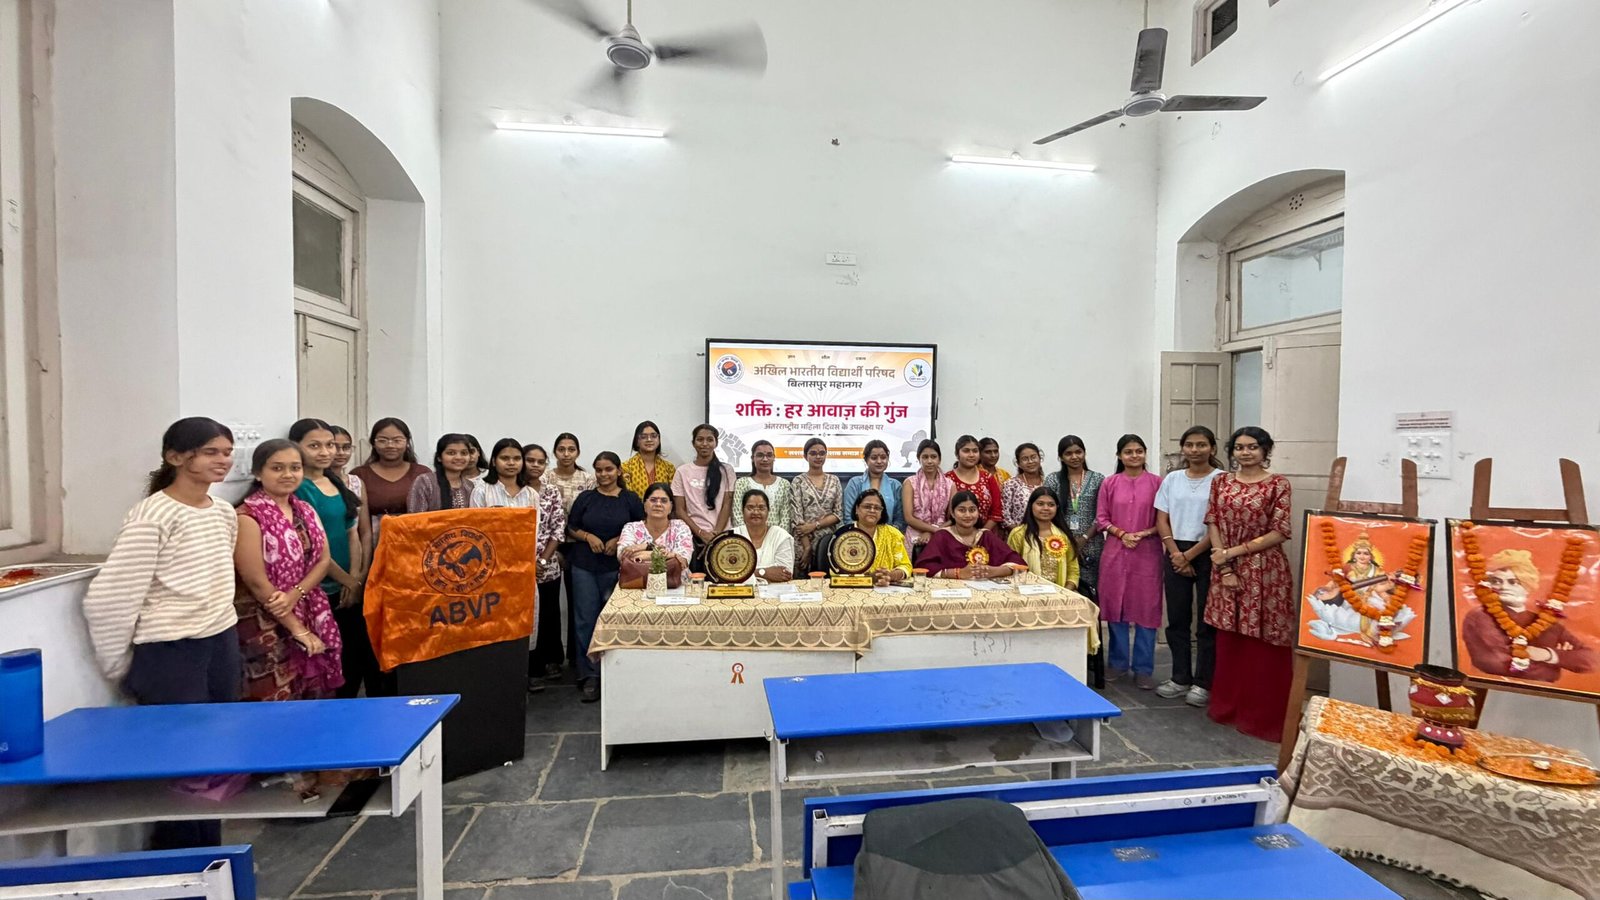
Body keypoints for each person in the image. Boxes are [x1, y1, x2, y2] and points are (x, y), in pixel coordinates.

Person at [81, 418, 241, 849]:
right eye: (211, 452)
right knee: (181, 766)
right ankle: (179, 862)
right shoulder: (153, 515)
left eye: (227, 452)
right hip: (171, 651)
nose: (224, 460)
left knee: (215, 759)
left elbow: (216, 580)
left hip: (220, 641)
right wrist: (120, 665)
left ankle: (211, 856)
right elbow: (110, 598)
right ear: (175, 457)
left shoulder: (223, 512)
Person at [233, 439, 342, 708]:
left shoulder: (304, 510)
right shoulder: (247, 516)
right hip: (263, 618)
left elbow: (323, 560)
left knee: (311, 700)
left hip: (305, 606)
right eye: (277, 468)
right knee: (273, 700)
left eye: (295, 467)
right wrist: (297, 629)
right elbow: (256, 582)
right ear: (258, 473)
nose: (288, 474)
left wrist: (296, 594)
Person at [1205, 427, 1296, 741]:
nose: (1245, 453)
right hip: (1225, 567)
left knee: (1262, 639)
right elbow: (1213, 520)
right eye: (1239, 447)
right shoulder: (1221, 482)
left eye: (1253, 447)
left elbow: (1280, 531)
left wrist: (1233, 553)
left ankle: (1261, 715)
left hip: (1264, 570)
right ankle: (1228, 707)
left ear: (1265, 450)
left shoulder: (1278, 484)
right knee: (1230, 638)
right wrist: (1224, 563)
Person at [289, 419, 366, 699]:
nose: (325, 452)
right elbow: (315, 546)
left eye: (329, 445)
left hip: (348, 584)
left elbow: (352, 533)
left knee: (353, 656)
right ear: (296, 447)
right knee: (325, 659)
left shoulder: (335, 481)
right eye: (314, 446)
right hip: (319, 587)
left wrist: (355, 577)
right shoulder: (300, 488)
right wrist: (347, 581)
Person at [1153, 426, 1225, 706]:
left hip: (1209, 550)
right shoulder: (1172, 479)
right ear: (1183, 448)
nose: (1195, 450)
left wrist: (1190, 555)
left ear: (1212, 448)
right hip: (1175, 549)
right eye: (1190, 445)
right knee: (1177, 619)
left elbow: (1219, 523)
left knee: (1207, 622)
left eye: (1201, 445)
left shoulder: (1222, 480)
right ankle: (1180, 677)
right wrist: (1176, 554)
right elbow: (1162, 519)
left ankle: (1204, 683)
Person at [565, 452, 643, 702]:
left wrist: (619, 540)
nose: (603, 474)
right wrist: (588, 537)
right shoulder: (586, 498)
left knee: (616, 621)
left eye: (608, 469)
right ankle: (590, 675)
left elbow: (641, 528)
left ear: (619, 471)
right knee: (585, 620)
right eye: (598, 470)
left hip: (620, 568)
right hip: (584, 566)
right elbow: (571, 526)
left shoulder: (630, 499)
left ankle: (616, 672)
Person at [1461, 549, 1595, 682]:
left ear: (1527, 586)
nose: (1503, 587)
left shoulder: (1548, 623)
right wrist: (1557, 664)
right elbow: (1497, 664)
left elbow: (1592, 660)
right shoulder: (1480, 616)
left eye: (1513, 582)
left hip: (1545, 691)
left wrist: (1547, 654)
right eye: (1496, 581)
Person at [1096, 434, 1163, 689]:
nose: (1134, 456)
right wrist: (1122, 534)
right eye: (1128, 452)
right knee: (1116, 607)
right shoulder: (1110, 483)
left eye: (1138, 451)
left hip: (1148, 553)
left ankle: (1144, 668)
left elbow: (1163, 519)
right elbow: (1102, 518)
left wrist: (1143, 533)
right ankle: (1118, 662)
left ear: (1145, 453)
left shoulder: (1157, 483)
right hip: (1115, 551)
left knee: (1147, 609)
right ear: (1119, 456)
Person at [546, 433, 596, 669]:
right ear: (555, 452)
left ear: (578, 452)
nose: (566, 454)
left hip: (579, 544)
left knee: (579, 603)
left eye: (571, 449)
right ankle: (553, 658)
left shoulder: (587, 479)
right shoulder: (545, 477)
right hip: (548, 546)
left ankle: (578, 658)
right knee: (550, 603)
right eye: (561, 449)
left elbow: (590, 512)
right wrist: (552, 549)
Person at [522, 443, 568, 684]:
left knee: (549, 614)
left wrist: (541, 560)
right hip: (518, 567)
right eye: (530, 460)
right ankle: (532, 668)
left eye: (541, 462)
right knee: (527, 618)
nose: (535, 465)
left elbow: (557, 528)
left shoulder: (551, 491)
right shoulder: (514, 491)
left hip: (546, 565)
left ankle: (552, 661)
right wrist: (526, 563)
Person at [349, 417, 432, 540]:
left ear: (407, 442)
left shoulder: (422, 474)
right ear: (373, 443)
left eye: (397, 440)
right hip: (373, 542)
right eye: (383, 440)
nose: (390, 445)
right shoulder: (359, 475)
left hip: (416, 541)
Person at [1043, 436, 1105, 600]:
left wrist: (1084, 538)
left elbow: (1103, 513)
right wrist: (1069, 540)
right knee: (1063, 588)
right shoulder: (1053, 480)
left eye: (1078, 452)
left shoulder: (1098, 479)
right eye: (1068, 453)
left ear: (1084, 453)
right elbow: (1047, 511)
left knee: (1091, 592)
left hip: (1092, 543)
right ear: (1061, 457)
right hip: (1059, 543)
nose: (1074, 457)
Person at [918, 491, 1027, 579]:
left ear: (978, 512)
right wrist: (958, 573)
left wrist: (994, 571)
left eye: (972, 510)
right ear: (952, 513)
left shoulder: (986, 536)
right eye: (962, 510)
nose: (968, 515)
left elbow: (1018, 563)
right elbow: (923, 566)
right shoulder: (942, 536)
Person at [671, 424, 736, 570]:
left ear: (716, 443)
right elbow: (679, 510)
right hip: (692, 538)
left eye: (709, 439)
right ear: (693, 443)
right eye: (700, 439)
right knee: (695, 580)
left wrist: (715, 535)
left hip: (722, 537)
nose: (705, 444)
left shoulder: (727, 470)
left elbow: (727, 504)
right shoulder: (682, 471)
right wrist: (700, 533)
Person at [1007, 487, 1080, 591]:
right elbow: (1011, 567)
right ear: (1031, 506)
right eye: (1040, 504)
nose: (1046, 508)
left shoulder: (1063, 536)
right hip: (1027, 593)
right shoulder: (1018, 534)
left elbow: (1073, 571)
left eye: (1051, 505)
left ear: (1057, 507)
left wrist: (1065, 592)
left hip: (1060, 593)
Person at [790, 437, 843, 571]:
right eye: (813, 453)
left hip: (828, 541)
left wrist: (814, 525)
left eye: (822, 453)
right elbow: (797, 517)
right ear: (805, 456)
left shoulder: (834, 480)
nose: (818, 457)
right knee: (802, 579)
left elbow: (838, 514)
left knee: (828, 578)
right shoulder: (798, 481)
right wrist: (807, 547)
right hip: (803, 541)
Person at [327, 425, 373, 576]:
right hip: (325, 559)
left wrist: (364, 569)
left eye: (346, 447)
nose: (341, 453)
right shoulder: (315, 484)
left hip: (353, 558)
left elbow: (365, 531)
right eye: (334, 447)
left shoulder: (356, 482)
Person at [619, 482, 695, 572]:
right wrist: (666, 554)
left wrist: (642, 551)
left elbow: (681, 562)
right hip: (636, 579)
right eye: (653, 500)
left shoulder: (680, 527)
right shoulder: (631, 528)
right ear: (644, 505)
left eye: (664, 501)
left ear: (671, 507)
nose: (658, 504)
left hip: (674, 579)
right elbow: (624, 557)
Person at [850, 489, 913, 586]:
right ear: (857, 509)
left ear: (881, 512)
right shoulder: (844, 535)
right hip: (851, 588)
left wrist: (890, 575)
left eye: (877, 508)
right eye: (867, 506)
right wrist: (870, 578)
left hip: (886, 589)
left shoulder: (892, 534)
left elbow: (905, 566)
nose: (872, 510)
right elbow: (836, 571)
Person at [902, 438, 952, 556]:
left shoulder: (950, 485)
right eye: (925, 457)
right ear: (918, 458)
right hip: (915, 537)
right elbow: (908, 517)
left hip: (942, 534)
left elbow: (953, 518)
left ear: (939, 459)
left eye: (933, 457)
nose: (929, 461)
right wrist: (933, 529)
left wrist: (933, 532)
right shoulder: (910, 483)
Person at [733, 490, 794, 583]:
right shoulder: (732, 536)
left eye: (761, 508)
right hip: (741, 590)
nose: (756, 512)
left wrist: (745, 573)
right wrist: (763, 572)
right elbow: (727, 573)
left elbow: (785, 573)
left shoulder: (780, 536)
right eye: (750, 508)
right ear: (742, 511)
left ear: (768, 511)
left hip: (776, 590)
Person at [731, 440, 793, 531]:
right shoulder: (742, 483)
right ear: (753, 458)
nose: (765, 459)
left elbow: (786, 518)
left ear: (774, 458)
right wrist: (748, 536)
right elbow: (737, 515)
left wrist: (777, 536)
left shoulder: (784, 484)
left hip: (777, 537)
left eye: (769, 455)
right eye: (760, 455)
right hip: (746, 537)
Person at [842, 440, 904, 531]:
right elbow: (848, 517)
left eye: (883, 457)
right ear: (866, 460)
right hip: (858, 535)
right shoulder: (854, 483)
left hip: (888, 535)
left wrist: (888, 534)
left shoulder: (895, 485)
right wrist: (862, 534)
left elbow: (900, 519)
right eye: (874, 458)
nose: (879, 461)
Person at [945, 435, 1003, 531]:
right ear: (957, 454)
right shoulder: (947, 479)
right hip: (954, 533)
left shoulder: (988, 478)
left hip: (986, 533)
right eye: (966, 451)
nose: (971, 455)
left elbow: (997, 511)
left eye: (975, 451)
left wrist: (981, 533)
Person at [407, 434, 475, 512]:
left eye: (464, 453)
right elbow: (416, 516)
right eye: (451, 453)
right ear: (439, 457)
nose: (458, 457)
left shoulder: (469, 486)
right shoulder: (425, 482)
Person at [470, 438, 536, 509]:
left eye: (517, 458)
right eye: (505, 458)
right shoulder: (482, 491)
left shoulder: (531, 494)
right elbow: (474, 516)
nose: (511, 463)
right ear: (494, 461)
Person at [620, 420, 676, 498]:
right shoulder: (626, 468)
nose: (649, 440)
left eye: (654, 436)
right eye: (643, 437)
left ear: (659, 439)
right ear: (637, 441)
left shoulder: (669, 468)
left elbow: (673, 497)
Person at [1000, 443, 1047, 530]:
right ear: (1018, 463)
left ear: (1040, 459)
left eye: (1033, 457)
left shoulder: (1047, 483)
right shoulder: (1011, 484)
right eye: (1025, 459)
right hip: (1018, 534)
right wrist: (1020, 533)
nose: (1030, 461)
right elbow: (1005, 515)